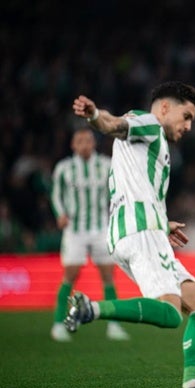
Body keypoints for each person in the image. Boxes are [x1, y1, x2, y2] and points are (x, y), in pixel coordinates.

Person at [67, 82, 195, 388]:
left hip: (141, 230)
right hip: (139, 231)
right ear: (165, 108)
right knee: (169, 313)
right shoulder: (149, 124)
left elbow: (135, 185)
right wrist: (95, 114)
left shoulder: (152, 141)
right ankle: (92, 309)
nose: (189, 126)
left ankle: (193, 384)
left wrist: (162, 223)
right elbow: (113, 124)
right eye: (186, 116)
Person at [50, 127, 129, 342]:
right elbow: (56, 194)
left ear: (93, 143)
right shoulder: (64, 168)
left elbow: (118, 190)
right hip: (75, 230)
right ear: (73, 145)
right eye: (80, 141)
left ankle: (113, 324)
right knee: (71, 275)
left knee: (108, 276)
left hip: (101, 227)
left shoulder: (105, 165)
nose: (84, 144)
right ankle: (58, 324)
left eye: (88, 140)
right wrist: (60, 214)